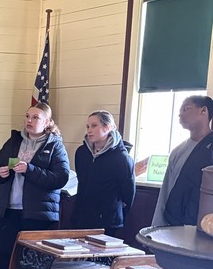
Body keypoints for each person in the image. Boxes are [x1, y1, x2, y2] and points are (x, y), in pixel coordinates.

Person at [0, 101, 70, 269]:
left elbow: (60, 178)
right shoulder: (14, 141)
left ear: (47, 122)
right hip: (10, 209)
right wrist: (0, 173)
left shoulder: (55, 146)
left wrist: (30, 170)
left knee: (30, 259)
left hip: (37, 213)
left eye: (35, 117)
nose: (29, 121)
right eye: (27, 116)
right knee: (6, 255)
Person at [151, 94, 213, 227]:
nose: (180, 115)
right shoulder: (178, 151)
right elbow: (166, 191)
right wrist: (157, 226)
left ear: (203, 110)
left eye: (186, 109)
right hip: (175, 223)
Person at [71, 110, 136, 230]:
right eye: (88, 126)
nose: (89, 130)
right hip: (82, 216)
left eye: (94, 126)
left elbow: (128, 193)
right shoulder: (82, 153)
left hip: (108, 220)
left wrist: (117, 214)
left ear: (107, 127)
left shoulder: (121, 158)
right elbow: (82, 182)